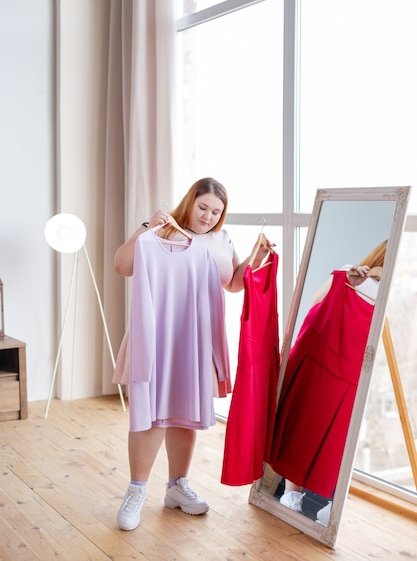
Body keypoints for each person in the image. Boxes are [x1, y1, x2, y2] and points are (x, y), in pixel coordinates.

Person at [113, 177, 274, 531]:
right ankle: (136, 490)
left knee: (186, 415)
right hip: (159, 332)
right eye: (203, 207)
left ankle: (176, 486)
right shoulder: (164, 232)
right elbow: (123, 266)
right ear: (190, 202)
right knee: (152, 414)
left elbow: (232, 283)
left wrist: (254, 258)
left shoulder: (221, 238)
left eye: (216, 212)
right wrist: (145, 227)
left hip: (197, 337)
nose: (208, 217)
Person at [269, 240, 387, 521]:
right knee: (313, 429)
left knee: (309, 429)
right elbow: (317, 303)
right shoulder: (353, 275)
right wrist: (346, 279)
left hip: (342, 367)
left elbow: (317, 302)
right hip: (327, 362)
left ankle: (294, 495)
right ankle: (294, 495)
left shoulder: (377, 288)